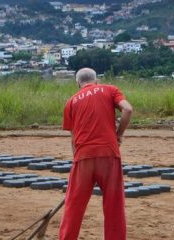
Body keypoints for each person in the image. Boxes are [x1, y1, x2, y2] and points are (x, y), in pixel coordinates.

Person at [59, 68, 133, 240]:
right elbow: (127, 110)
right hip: (108, 154)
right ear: (96, 80)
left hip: (83, 156)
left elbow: (73, 139)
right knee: (114, 205)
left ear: (78, 83)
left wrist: (77, 162)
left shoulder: (70, 102)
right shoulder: (109, 89)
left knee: (73, 205)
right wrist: (119, 134)